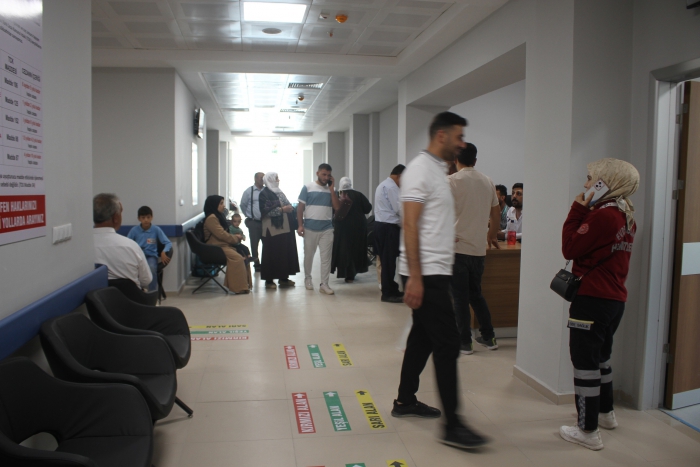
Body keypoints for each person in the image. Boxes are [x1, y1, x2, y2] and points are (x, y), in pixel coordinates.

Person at [392, 111, 487, 449]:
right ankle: (453, 426)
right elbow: (410, 224)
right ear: (442, 135)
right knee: (447, 343)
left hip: (436, 270)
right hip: (425, 272)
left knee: (423, 337)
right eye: (459, 137)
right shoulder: (419, 170)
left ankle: (405, 400)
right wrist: (416, 277)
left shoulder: (437, 170)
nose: (462, 144)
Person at [559, 158, 638, 451]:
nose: (586, 184)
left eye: (591, 179)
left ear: (607, 182)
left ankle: (587, 430)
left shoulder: (603, 216)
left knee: (585, 363)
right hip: (613, 300)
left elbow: (569, 247)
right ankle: (605, 413)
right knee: (601, 358)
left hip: (591, 300)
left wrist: (577, 209)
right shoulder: (626, 216)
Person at [448, 143, 501, 355]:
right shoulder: (487, 181)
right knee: (476, 295)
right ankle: (489, 337)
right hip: (478, 250)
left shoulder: (451, 181)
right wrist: (491, 235)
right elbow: (496, 214)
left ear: (455, 160)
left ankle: (464, 342)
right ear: (475, 160)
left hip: (457, 248)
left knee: (460, 298)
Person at [297, 163, 340, 295]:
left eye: (328, 175)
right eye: (323, 174)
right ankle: (308, 279)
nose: (326, 177)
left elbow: (337, 207)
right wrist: (300, 225)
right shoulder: (308, 187)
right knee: (309, 256)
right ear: (317, 173)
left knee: (326, 258)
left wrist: (332, 190)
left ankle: (324, 284)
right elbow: (300, 208)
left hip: (327, 228)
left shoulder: (332, 190)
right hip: (310, 228)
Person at [93, 193, 152, 289]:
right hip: (132, 298)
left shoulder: (82, 248)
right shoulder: (131, 246)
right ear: (116, 218)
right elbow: (146, 280)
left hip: (96, 298)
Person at [258, 172, 300, 289]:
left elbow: (287, 204)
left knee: (283, 253)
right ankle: (269, 281)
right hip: (272, 229)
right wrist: (282, 210)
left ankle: (283, 278)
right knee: (271, 254)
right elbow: (265, 211)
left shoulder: (279, 192)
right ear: (270, 179)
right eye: (276, 178)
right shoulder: (264, 194)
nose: (278, 180)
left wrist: (290, 208)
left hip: (285, 226)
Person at [202, 195, 251, 294]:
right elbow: (221, 234)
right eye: (221, 203)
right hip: (215, 247)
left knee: (244, 255)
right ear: (214, 205)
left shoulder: (217, 216)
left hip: (222, 245)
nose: (224, 206)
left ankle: (245, 285)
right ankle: (238, 288)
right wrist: (235, 239)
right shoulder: (211, 218)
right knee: (238, 258)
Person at [330, 177, 372, 283]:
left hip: (342, 228)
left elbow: (332, 210)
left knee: (344, 250)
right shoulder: (359, 195)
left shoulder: (338, 195)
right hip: (359, 227)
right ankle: (353, 273)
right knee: (356, 249)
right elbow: (368, 208)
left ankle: (347, 273)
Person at [374, 164, 405, 303]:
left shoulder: (383, 185)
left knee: (388, 261)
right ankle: (387, 293)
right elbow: (399, 209)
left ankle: (392, 289)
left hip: (382, 227)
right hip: (388, 228)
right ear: (399, 176)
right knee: (389, 262)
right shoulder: (392, 187)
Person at [127, 206, 172, 292]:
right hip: (138, 257)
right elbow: (127, 244)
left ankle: (152, 292)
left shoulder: (156, 229)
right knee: (132, 269)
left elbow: (168, 243)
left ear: (152, 217)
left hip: (151, 256)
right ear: (139, 219)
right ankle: (138, 291)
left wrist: (164, 251)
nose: (146, 220)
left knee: (151, 267)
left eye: (148, 217)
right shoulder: (134, 230)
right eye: (143, 218)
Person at [240, 172, 265, 271]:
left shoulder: (266, 191)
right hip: (254, 222)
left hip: (266, 222)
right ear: (255, 178)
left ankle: (266, 264)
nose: (262, 179)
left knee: (267, 244)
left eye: (263, 178)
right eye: (260, 177)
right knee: (254, 245)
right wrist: (248, 215)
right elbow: (243, 204)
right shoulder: (249, 191)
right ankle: (257, 265)